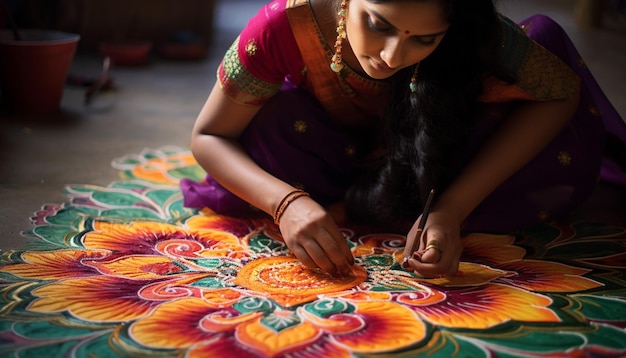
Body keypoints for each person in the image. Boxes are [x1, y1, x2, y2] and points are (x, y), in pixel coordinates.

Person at [181, 0, 626, 278]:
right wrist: (286, 203)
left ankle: (375, 207)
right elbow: (209, 135)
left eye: (425, 39)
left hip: (428, 160)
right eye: (377, 24)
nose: (392, 56)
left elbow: (561, 97)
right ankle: (353, 202)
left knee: (542, 62)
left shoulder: (473, 30)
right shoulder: (285, 23)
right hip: (326, 148)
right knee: (271, 119)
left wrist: (451, 209)